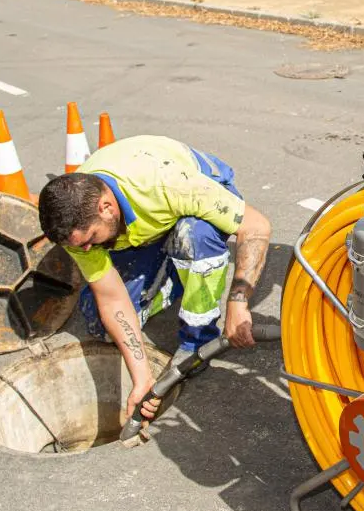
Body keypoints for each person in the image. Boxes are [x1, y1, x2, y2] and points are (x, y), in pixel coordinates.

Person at [38, 135, 271, 422]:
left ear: (107, 208)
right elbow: (111, 299)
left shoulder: (169, 184)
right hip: (144, 228)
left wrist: (238, 303)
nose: (85, 250)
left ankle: (197, 338)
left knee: (194, 234)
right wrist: (142, 379)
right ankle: (173, 274)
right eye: (78, 246)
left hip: (193, 192)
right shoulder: (78, 227)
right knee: (102, 328)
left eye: (90, 241)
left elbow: (256, 227)